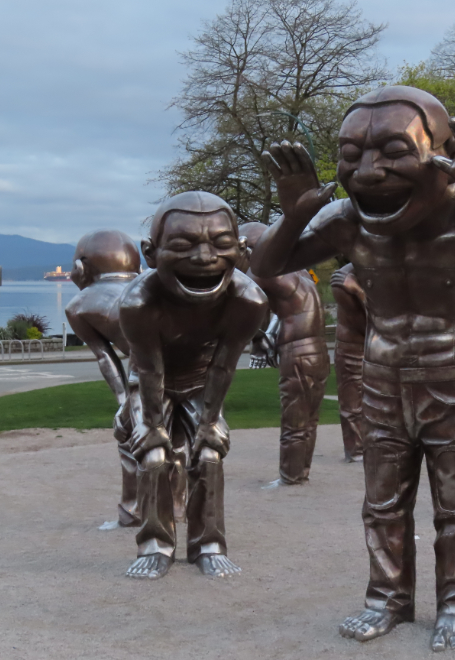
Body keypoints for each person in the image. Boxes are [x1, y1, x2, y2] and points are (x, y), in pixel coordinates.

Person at [250, 85, 455, 650]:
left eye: (394, 151)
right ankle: (386, 599)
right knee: (382, 502)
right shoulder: (349, 220)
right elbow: (267, 267)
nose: (369, 172)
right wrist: (294, 213)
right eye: (351, 156)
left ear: (443, 151)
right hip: (382, 380)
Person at [119, 191, 267, 580]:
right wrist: (151, 426)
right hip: (152, 381)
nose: (204, 259)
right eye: (183, 246)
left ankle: (209, 545)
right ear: (150, 254)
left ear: (240, 249)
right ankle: (155, 546)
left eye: (220, 245)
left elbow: (224, 365)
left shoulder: (248, 299)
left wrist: (208, 423)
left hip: (203, 380)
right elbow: (150, 371)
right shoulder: (139, 302)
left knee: (210, 454)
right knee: (152, 457)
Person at [65, 230, 146, 530]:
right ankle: (175, 505)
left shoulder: (79, 305)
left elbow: (105, 357)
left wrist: (124, 402)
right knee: (176, 436)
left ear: (81, 268)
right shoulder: (151, 289)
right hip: (187, 363)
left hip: (146, 367)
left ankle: (134, 509)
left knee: (131, 435)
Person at [240, 222, 330, 487]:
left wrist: (257, 339)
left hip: (297, 350)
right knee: (309, 417)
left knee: (294, 416)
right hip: (319, 351)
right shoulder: (300, 270)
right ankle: (300, 472)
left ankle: (290, 476)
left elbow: (246, 307)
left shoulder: (261, 271)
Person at [330, 263, 366, 462]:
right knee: (352, 405)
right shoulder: (343, 280)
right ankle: (356, 451)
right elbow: (372, 324)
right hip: (353, 349)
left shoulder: (385, 270)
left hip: (379, 348)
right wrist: (358, 292)